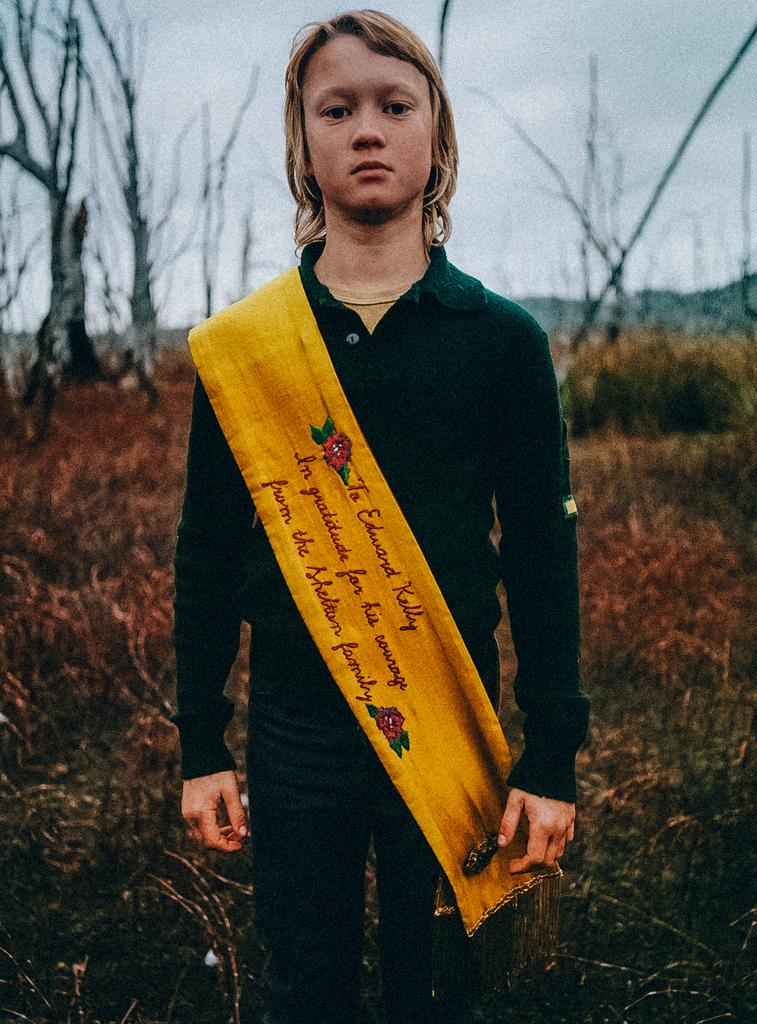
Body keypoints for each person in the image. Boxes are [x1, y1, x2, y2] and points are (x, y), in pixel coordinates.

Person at [170, 10, 590, 1024]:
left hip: (448, 714)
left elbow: (542, 554)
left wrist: (550, 757)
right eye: (337, 107)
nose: (367, 128)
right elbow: (206, 551)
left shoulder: (500, 343)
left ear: (437, 139)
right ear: (302, 143)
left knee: (437, 989)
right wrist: (199, 742)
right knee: (303, 983)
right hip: (291, 725)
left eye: (396, 106)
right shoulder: (246, 349)